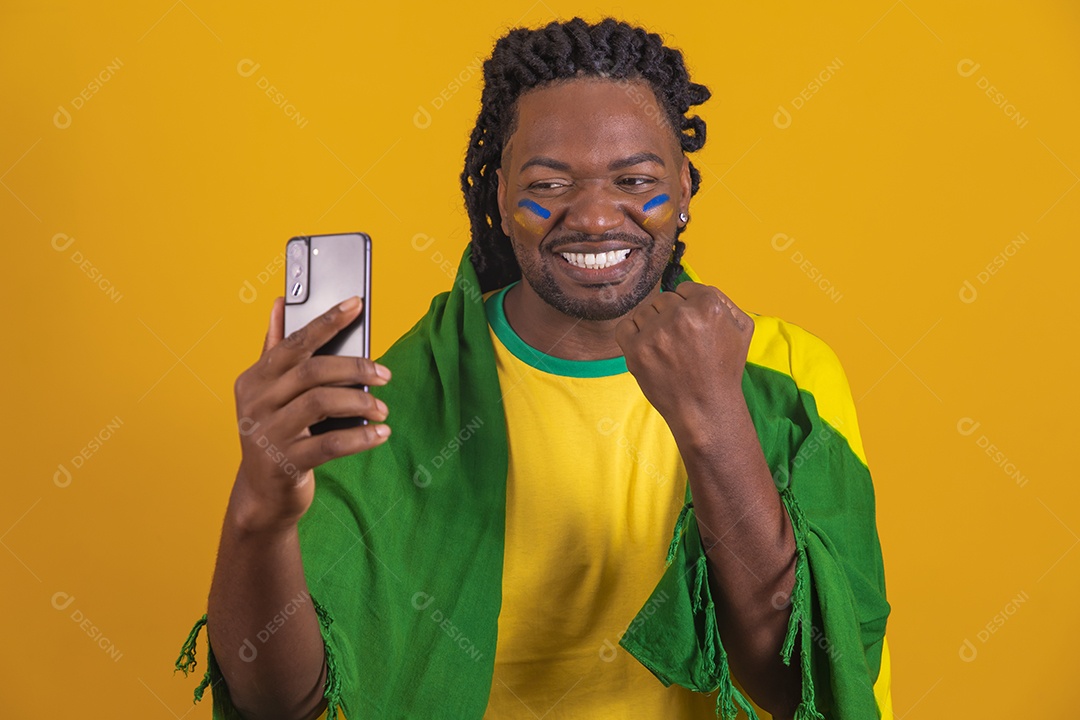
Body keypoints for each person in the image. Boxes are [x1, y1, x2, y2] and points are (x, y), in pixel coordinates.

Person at [175, 16, 891, 720]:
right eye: (548, 184)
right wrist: (259, 511)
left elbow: (806, 682)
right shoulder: (393, 398)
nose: (595, 217)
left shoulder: (784, 374)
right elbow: (279, 703)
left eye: (635, 178)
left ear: (686, 190)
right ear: (499, 196)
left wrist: (715, 416)